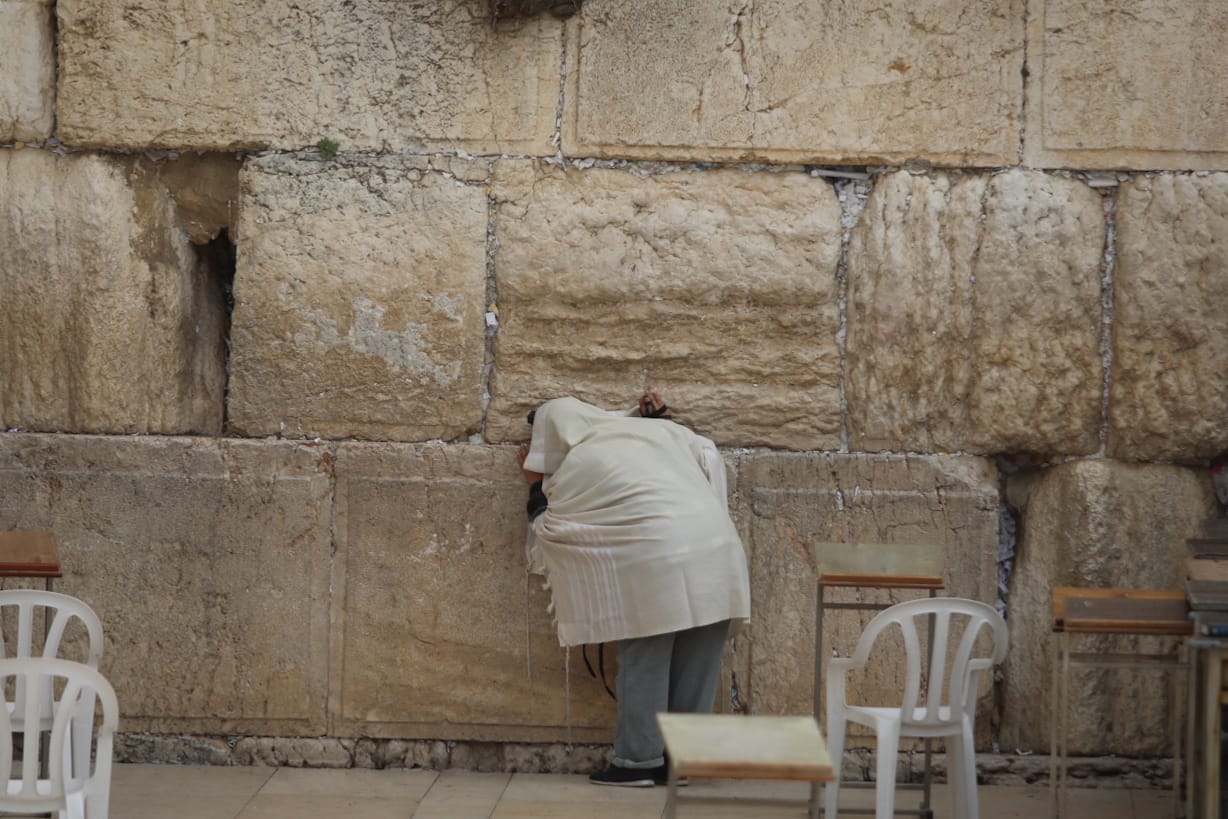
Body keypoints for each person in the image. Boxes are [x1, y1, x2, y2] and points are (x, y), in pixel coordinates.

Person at [516, 392, 751, 787]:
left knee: (646, 658)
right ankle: (685, 761)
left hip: (658, 558)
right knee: (699, 661)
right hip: (718, 552)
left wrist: (536, 486)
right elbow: (702, 452)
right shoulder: (656, 434)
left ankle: (637, 763)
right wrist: (660, 417)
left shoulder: (583, 458)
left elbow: (555, 531)